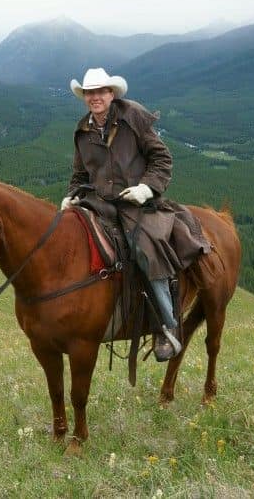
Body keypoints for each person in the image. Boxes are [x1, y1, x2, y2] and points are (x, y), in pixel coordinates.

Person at [62, 67, 210, 361]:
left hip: (135, 202)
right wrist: (71, 195)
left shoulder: (133, 118)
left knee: (146, 249)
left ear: (111, 93)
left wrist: (146, 188)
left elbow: (162, 159)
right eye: (90, 93)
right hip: (98, 201)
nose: (96, 97)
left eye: (101, 91)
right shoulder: (83, 130)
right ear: (85, 97)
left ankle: (167, 326)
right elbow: (80, 174)